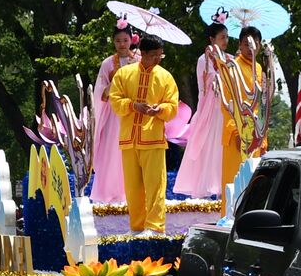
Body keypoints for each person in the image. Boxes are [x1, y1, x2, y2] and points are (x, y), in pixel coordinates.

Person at [109, 33, 180, 234]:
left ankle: (155, 227)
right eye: (155, 55)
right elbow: (115, 101)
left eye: (160, 56)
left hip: (153, 138)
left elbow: (173, 106)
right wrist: (133, 105)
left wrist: (160, 109)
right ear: (143, 53)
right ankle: (137, 226)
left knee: (155, 186)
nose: (158, 59)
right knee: (132, 188)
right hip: (129, 138)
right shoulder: (124, 74)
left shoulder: (165, 77)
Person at [174, 20, 231, 198]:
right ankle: (205, 188)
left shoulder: (230, 59)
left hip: (226, 107)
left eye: (227, 37)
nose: (225, 41)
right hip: (210, 108)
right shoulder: (204, 59)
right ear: (212, 39)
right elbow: (205, 85)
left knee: (223, 148)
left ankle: (224, 187)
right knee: (208, 146)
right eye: (222, 37)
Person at [90, 22, 139, 203]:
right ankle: (111, 194)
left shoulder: (139, 61)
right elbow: (100, 95)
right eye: (118, 41)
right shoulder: (108, 64)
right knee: (114, 152)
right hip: (114, 114)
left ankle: (133, 194)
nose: (122, 44)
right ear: (113, 42)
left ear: (131, 40)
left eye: (125, 40)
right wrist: (116, 81)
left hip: (134, 112)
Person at [219, 28, 267, 187]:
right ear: (239, 45)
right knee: (234, 183)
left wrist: (262, 136)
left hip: (256, 134)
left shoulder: (259, 68)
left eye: (254, 44)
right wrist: (236, 131)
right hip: (237, 136)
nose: (250, 48)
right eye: (246, 44)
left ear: (259, 46)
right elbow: (227, 102)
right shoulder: (232, 67)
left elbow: (262, 104)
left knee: (252, 185)